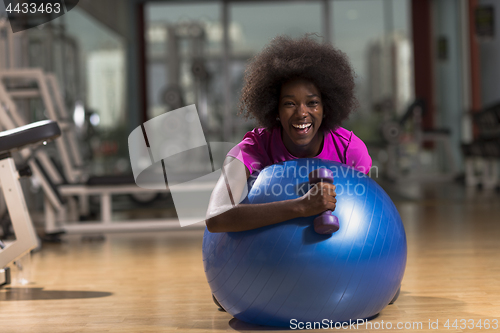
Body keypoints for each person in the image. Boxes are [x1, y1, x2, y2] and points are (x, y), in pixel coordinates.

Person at [205, 35, 372, 234]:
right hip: (265, 261)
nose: (301, 113)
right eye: (289, 103)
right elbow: (215, 218)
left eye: (312, 103)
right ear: (275, 109)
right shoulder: (253, 149)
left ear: (326, 107)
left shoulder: (349, 150)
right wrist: (301, 207)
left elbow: (368, 214)